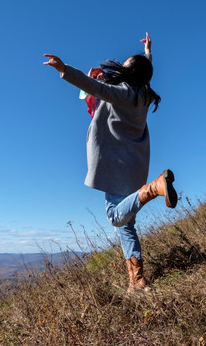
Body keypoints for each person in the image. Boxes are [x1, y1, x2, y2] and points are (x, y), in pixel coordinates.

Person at [43, 33, 177, 292]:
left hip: (116, 163)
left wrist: (63, 69)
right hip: (135, 162)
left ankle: (155, 187)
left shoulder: (121, 93)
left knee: (115, 216)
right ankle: (137, 281)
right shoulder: (145, 93)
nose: (122, 67)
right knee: (126, 225)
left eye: (126, 66)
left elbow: (93, 88)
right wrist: (148, 50)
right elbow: (146, 70)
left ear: (130, 74)